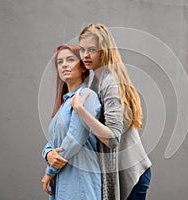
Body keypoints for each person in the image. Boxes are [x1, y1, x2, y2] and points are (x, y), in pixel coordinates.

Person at [71, 23, 152, 200]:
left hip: (133, 175)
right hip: (122, 171)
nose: (85, 55)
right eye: (82, 49)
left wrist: (80, 110)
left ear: (105, 50)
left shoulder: (110, 83)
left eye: (92, 49)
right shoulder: (96, 79)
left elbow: (113, 138)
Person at [41, 44, 102, 200]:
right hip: (62, 182)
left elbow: (76, 137)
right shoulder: (64, 105)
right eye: (60, 62)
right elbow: (53, 141)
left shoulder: (87, 96)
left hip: (81, 182)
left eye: (70, 60)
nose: (64, 65)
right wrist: (47, 153)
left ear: (82, 67)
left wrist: (49, 171)